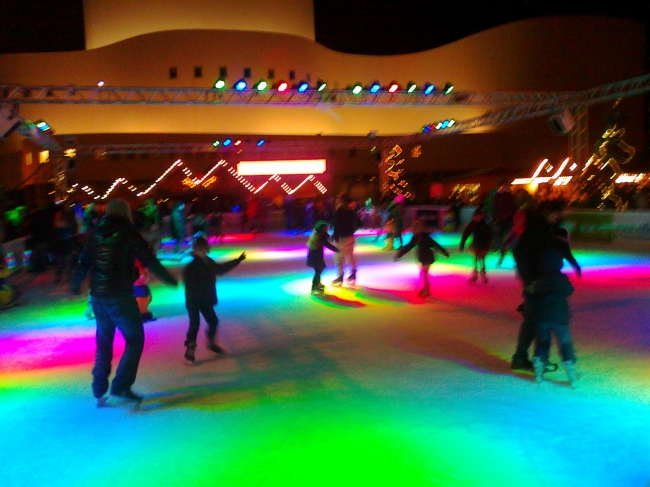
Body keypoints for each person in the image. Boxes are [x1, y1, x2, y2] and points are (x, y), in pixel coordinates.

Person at [72, 199, 178, 406]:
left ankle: (99, 388)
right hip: (119, 295)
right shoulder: (127, 231)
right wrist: (168, 278)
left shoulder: (95, 232)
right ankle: (121, 385)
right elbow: (148, 258)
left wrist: (76, 283)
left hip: (98, 297)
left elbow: (83, 261)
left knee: (104, 342)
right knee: (135, 338)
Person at [528, 205, 582, 385]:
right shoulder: (561, 279)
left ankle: (538, 368)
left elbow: (532, 292)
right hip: (560, 318)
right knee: (565, 344)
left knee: (542, 342)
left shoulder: (539, 280)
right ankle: (571, 372)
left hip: (542, 318)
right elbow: (569, 291)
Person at [182, 237, 246, 364]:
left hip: (205, 299)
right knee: (195, 324)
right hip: (194, 300)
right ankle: (190, 350)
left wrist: (237, 261)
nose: (203, 252)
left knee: (213, 321)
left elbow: (221, 269)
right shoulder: (192, 266)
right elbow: (189, 281)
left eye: (204, 249)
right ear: (195, 251)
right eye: (200, 250)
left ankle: (211, 342)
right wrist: (201, 283)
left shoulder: (208, 262)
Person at [395, 218, 450, 297]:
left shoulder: (418, 238)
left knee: (424, 273)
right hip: (428, 257)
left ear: (416, 229)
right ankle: (426, 288)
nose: (412, 231)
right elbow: (435, 245)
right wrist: (445, 252)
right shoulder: (423, 236)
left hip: (426, 257)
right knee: (424, 273)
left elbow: (408, 247)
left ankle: (426, 290)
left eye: (413, 229)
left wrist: (399, 254)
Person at [330, 192, 359, 286]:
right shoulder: (350, 210)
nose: (337, 201)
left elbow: (337, 225)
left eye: (338, 199)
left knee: (338, 257)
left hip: (342, 237)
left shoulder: (339, 211)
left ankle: (340, 277)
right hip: (350, 236)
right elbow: (356, 223)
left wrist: (336, 236)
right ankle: (353, 273)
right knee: (349, 255)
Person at [459, 207, 493, 283]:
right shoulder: (473, 224)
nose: (476, 218)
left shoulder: (485, 225)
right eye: (476, 216)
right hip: (476, 244)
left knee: (482, 260)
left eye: (479, 216)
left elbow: (489, 235)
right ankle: (475, 274)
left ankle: (483, 275)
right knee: (475, 259)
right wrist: (462, 243)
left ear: (482, 216)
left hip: (483, 245)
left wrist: (489, 243)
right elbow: (466, 233)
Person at [306, 220, 339, 295]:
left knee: (319, 269)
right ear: (322, 229)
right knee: (318, 271)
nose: (327, 229)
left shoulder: (318, 234)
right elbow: (326, 244)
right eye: (326, 228)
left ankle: (318, 283)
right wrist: (335, 249)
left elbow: (327, 239)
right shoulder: (320, 236)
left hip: (315, 255)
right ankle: (314, 287)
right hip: (315, 256)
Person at [491, 180, 517, 251]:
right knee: (499, 234)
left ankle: (507, 246)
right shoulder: (497, 197)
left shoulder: (509, 196)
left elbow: (513, 207)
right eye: (503, 186)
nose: (504, 187)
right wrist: (495, 217)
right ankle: (499, 247)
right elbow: (494, 208)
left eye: (505, 186)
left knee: (508, 234)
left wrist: (512, 216)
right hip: (500, 219)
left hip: (508, 219)